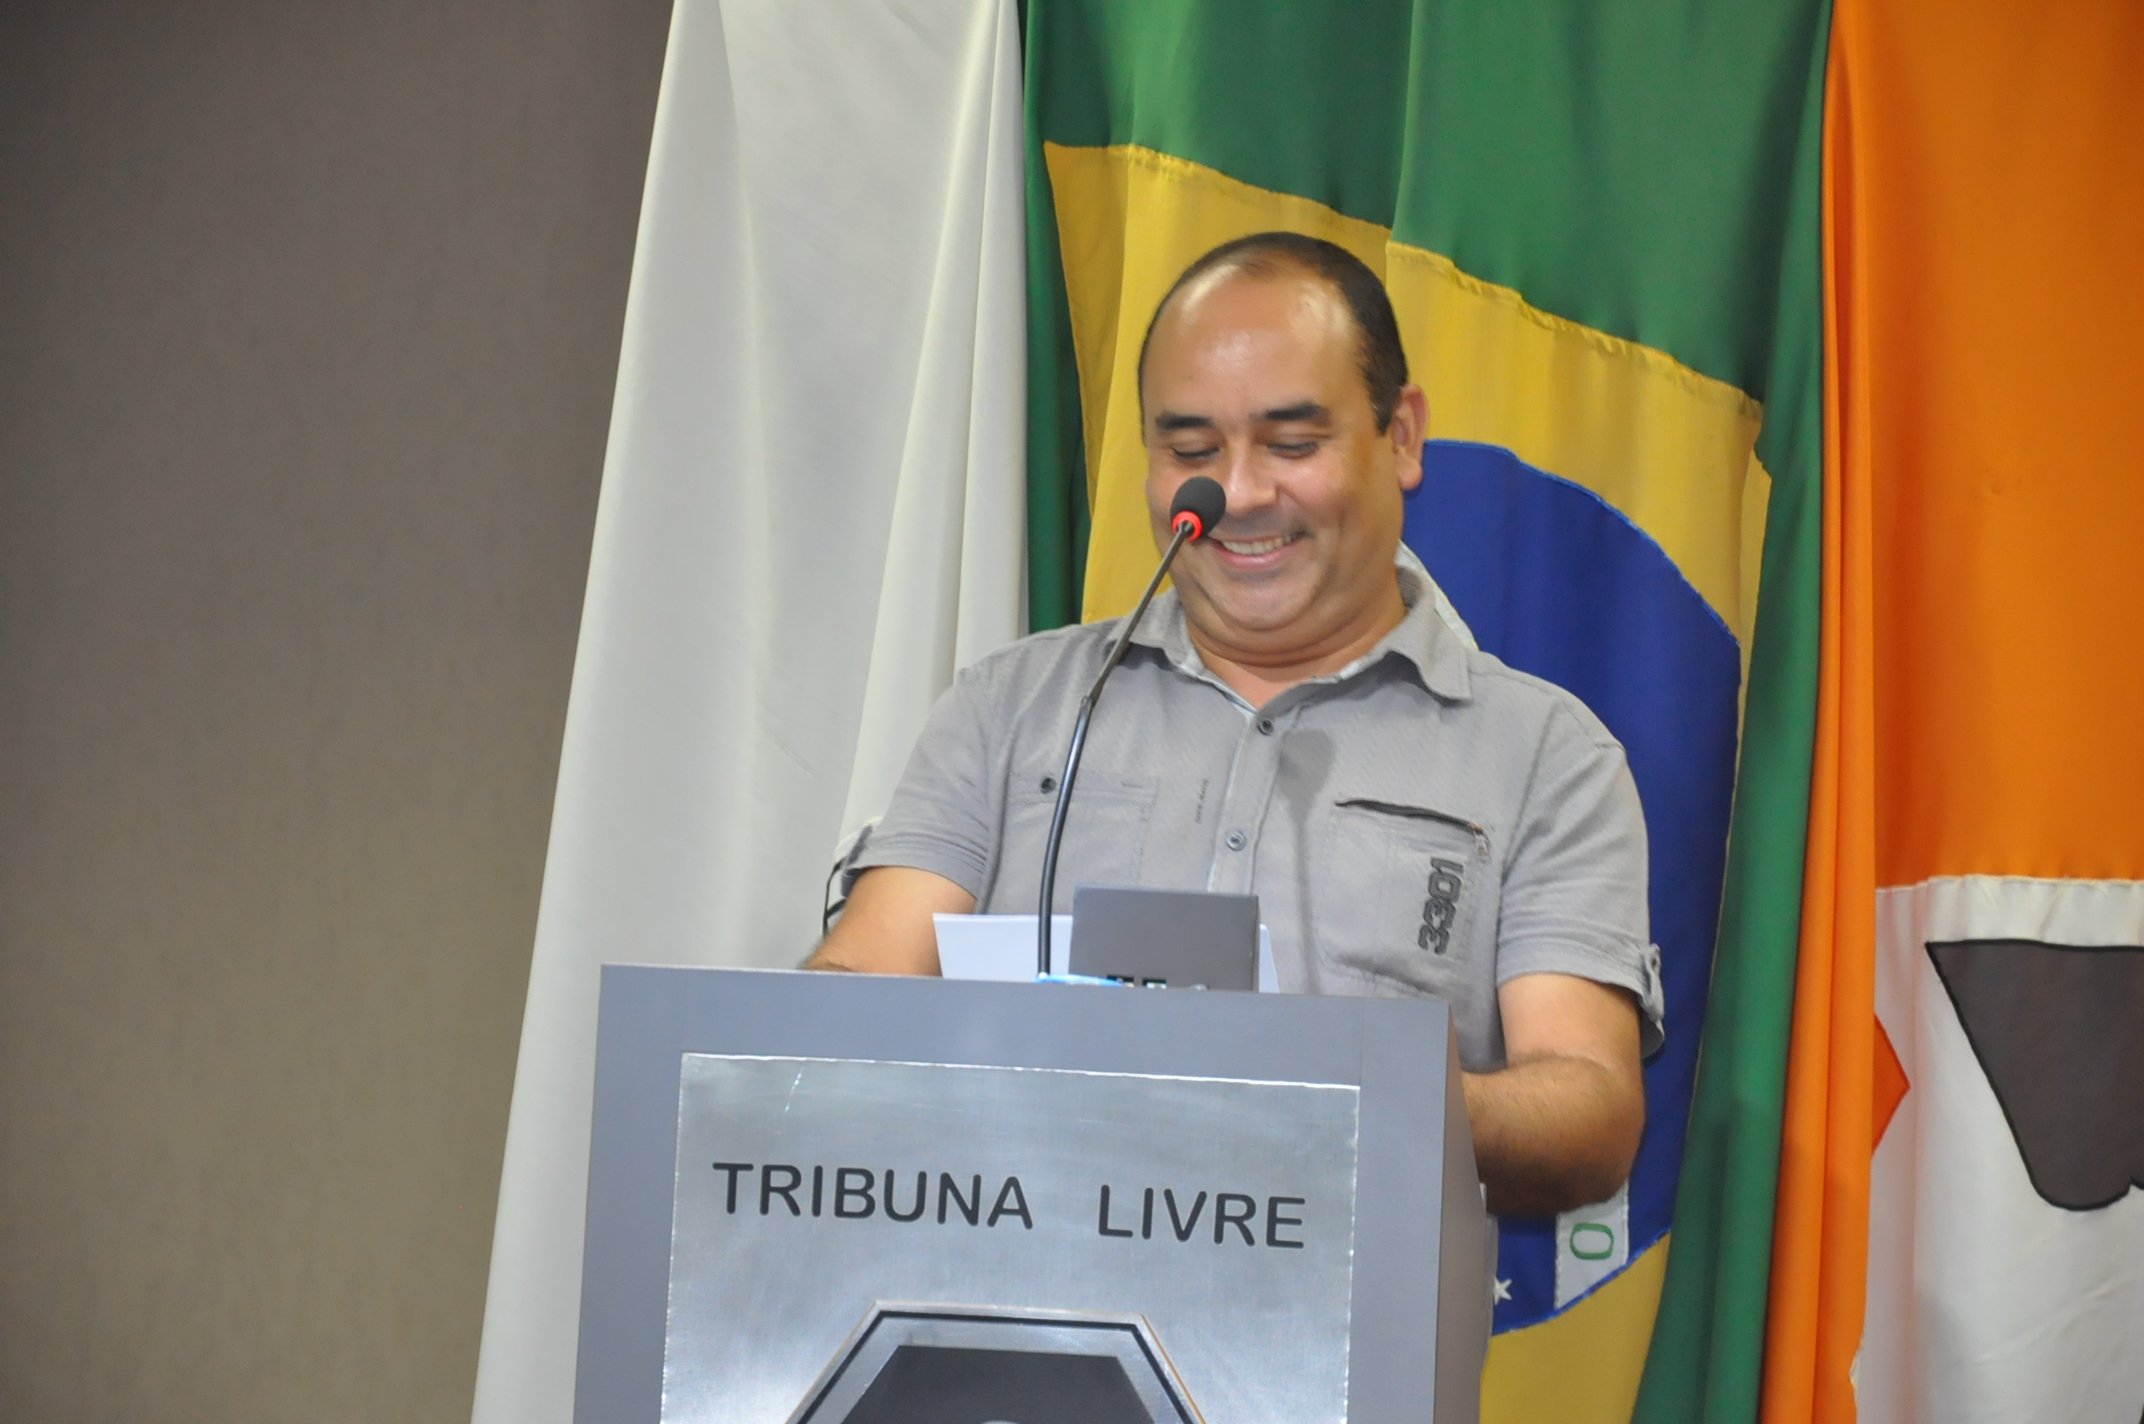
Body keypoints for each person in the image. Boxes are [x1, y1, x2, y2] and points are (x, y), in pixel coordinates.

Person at [809, 232, 1659, 1218]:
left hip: (1343, 1345)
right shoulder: (1015, 706)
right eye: (1191, 451)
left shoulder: (1543, 755)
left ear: (1401, 437)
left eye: (1292, 444)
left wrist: (1336, 1090)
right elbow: (858, 986)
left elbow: (1585, 1108)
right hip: (993, 1308)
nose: (1240, 494)